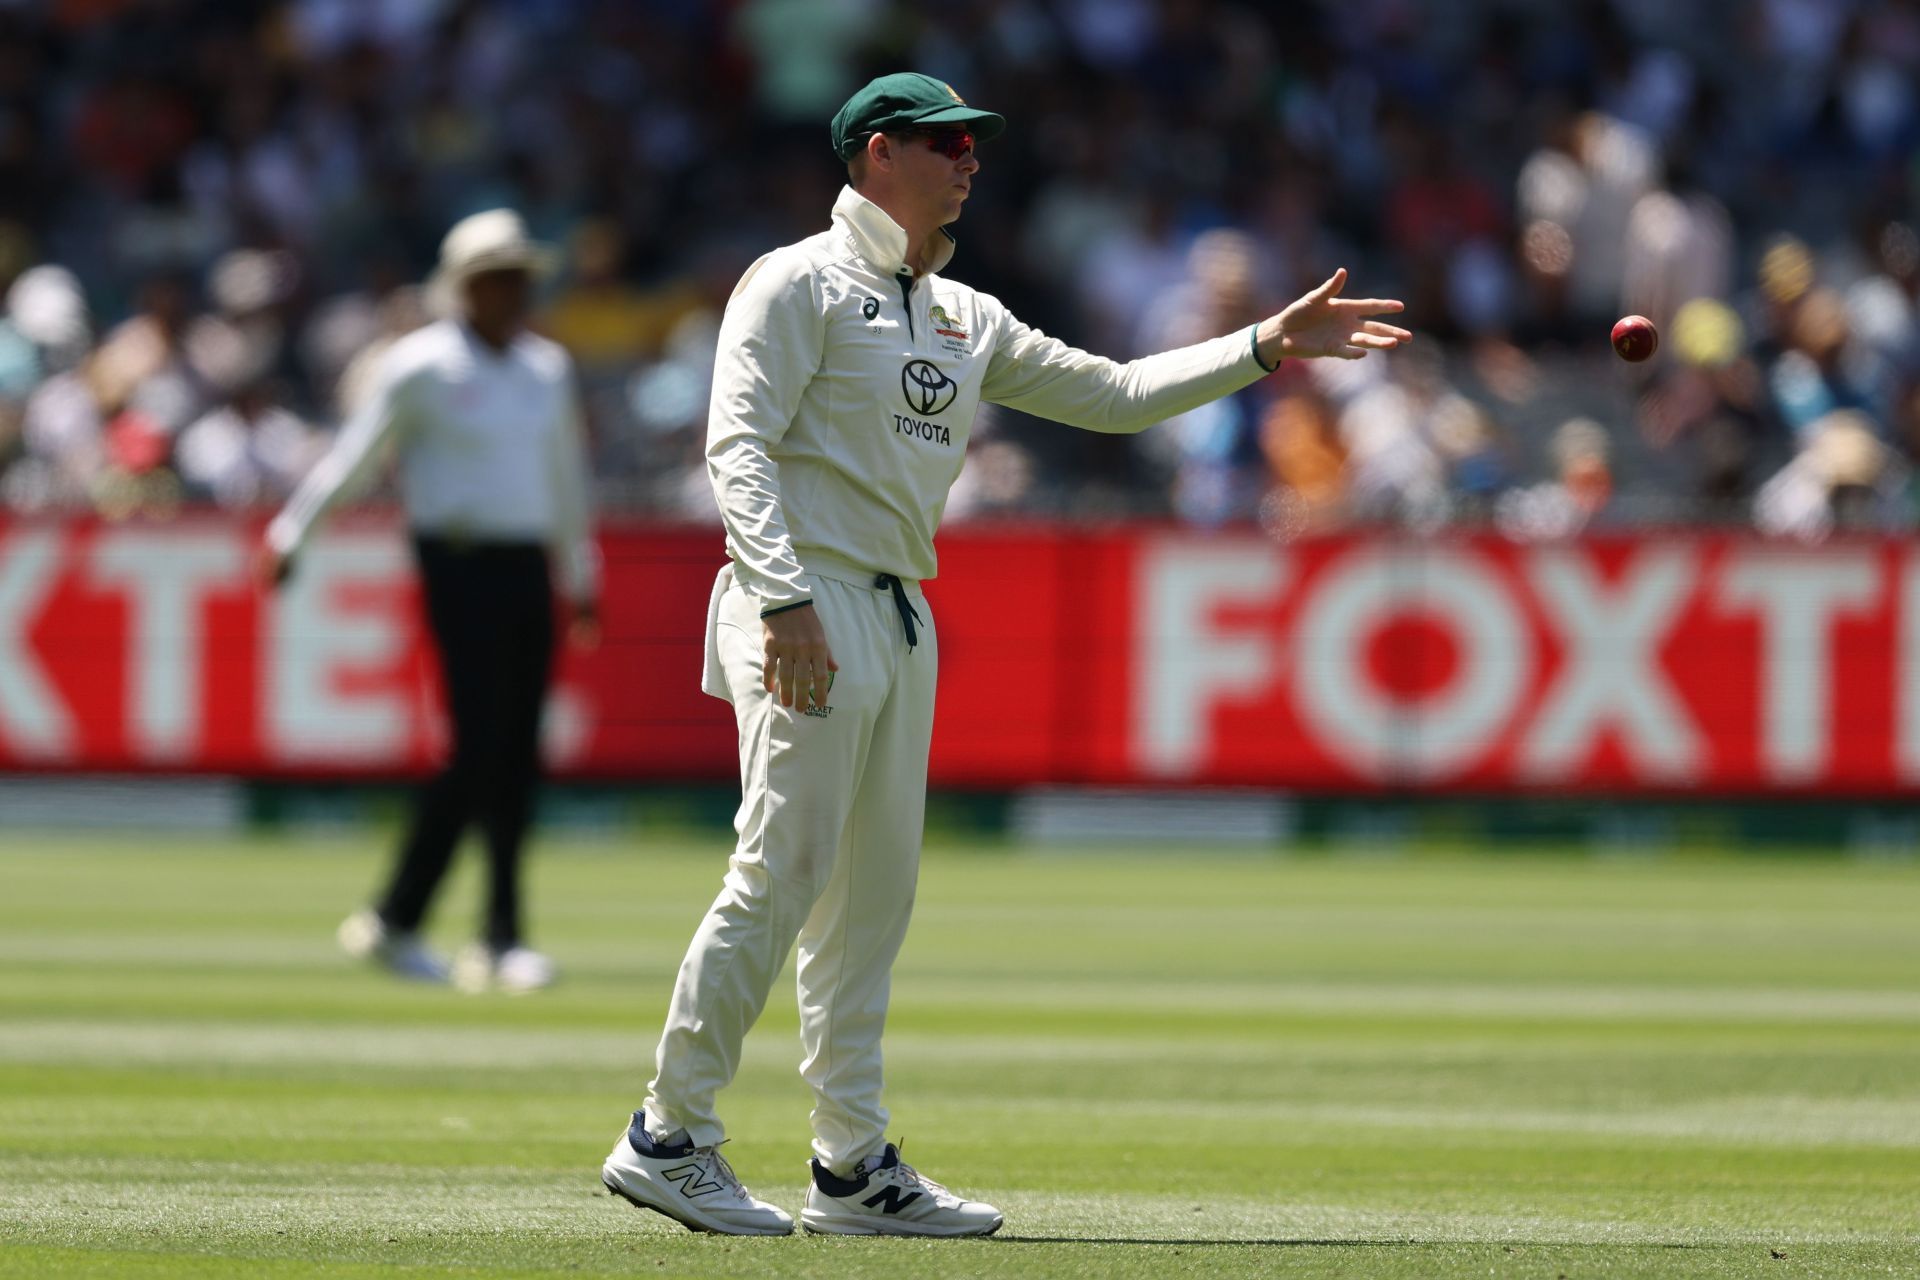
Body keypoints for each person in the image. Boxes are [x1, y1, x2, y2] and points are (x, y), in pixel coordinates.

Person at [598, 72, 1410, 1237]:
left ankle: (851, 1162)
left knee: (872, 899)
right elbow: (738, 446)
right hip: (806, 596)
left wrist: (1263, 345)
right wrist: (781, 601)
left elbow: (1119, 394)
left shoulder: (965, 313)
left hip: (897, 607)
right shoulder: (793, 281)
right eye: (950, 144)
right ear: (880, 153)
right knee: (781, 868)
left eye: (976, 145)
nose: (972, 161)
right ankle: (667, 1132)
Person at [259, 209, 601, 994]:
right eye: (500, 278)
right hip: (454, 563)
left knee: (515, 754)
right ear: (466, 286)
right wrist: (291, 534)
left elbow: (565, 484)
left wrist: (582, 578)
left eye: (521, 278)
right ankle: (401, 918)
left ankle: (498, 934)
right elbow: (354, 456)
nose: (515, 293)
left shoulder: (546, 370)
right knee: (479, 747)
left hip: (524, 568)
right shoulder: (420, 365)